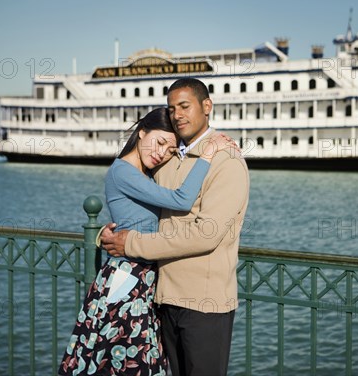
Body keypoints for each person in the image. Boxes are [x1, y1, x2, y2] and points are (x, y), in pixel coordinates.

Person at [59, 107, 234, 376]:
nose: (161, 153)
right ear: (141, 132)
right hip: (127, 277)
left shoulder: (146, 174)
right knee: (122, 359)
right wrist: (208, 154)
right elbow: (181, 200)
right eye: (160, 142)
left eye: (170, 149)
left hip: (144, 279)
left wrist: (105, 233)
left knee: (137, 359)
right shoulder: (123, 171)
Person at [100, 78, 250, 376]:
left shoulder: (226, 161)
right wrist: (107, 237)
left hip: (204, 304)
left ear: (207, 107)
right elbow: (139, 211)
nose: (177, 114)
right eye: (171, 109)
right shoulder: (166, 159)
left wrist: (129, 244)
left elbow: (204, 235)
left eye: (184, 106)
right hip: (162, 297)